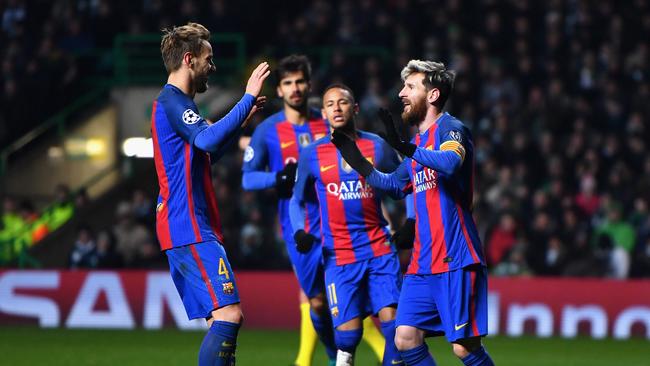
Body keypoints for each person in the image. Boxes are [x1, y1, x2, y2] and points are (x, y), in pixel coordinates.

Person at [332, 60, 494, 365]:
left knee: (464, 348)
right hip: (422, 262)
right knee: (404, 338)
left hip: (454, 257)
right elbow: (393, 185)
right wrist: (356, 159)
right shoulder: (419, 144)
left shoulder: (451, 128)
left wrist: (403, 147)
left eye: (410, 87)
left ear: (432, 95)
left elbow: (449, 163)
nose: (402, 93)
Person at [242, 55, 385, 365]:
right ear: (279, 90)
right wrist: (276, 177)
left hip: (344, 227)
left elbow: (364, 156)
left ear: (309, 85)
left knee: (356, 298)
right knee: (317, 301)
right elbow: (248, 177)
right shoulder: (268, 130)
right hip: (302, 230)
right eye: (288, 83)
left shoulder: (331, 118)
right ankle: (335, 356)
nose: (295, 89)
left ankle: (352, 354)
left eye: (300, 82)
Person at [152, 22, 269, 366]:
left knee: (221, 320)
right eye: (209, 59)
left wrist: (240, 120)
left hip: (186, 224)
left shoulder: (179, 105)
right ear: (189, 59)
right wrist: (246, 97)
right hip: (186, 224)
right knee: (230, 316)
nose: (212, 67)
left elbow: (205, 153)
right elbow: (206, 139)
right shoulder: (172, 101)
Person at [290, 84, 404, 366]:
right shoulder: (312, 154)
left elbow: (406, 181)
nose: (336, 108)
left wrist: (411, 220)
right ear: (324, 112)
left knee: (394, 327)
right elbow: (296, 200)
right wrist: (299, 230)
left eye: (342, 103)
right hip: (339, 256)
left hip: (379, 249)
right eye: (330, 104)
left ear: (354, 109)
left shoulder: (377, 145)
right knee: (348, 337)